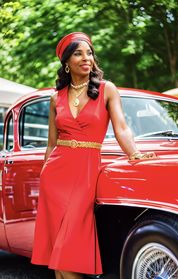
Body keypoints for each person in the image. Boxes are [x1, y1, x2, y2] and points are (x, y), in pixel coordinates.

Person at [31, 32, 155, 279]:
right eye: (78, 53)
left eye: (89, 53)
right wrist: (44, 173)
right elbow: (51, 144)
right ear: (67, 62)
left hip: (85, 172)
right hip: (55, 176)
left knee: (68, 246)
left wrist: (135, 154)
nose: (86, 58)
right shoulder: (56, 98)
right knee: (59, 250)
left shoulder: (107, 89)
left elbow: (121, 127)